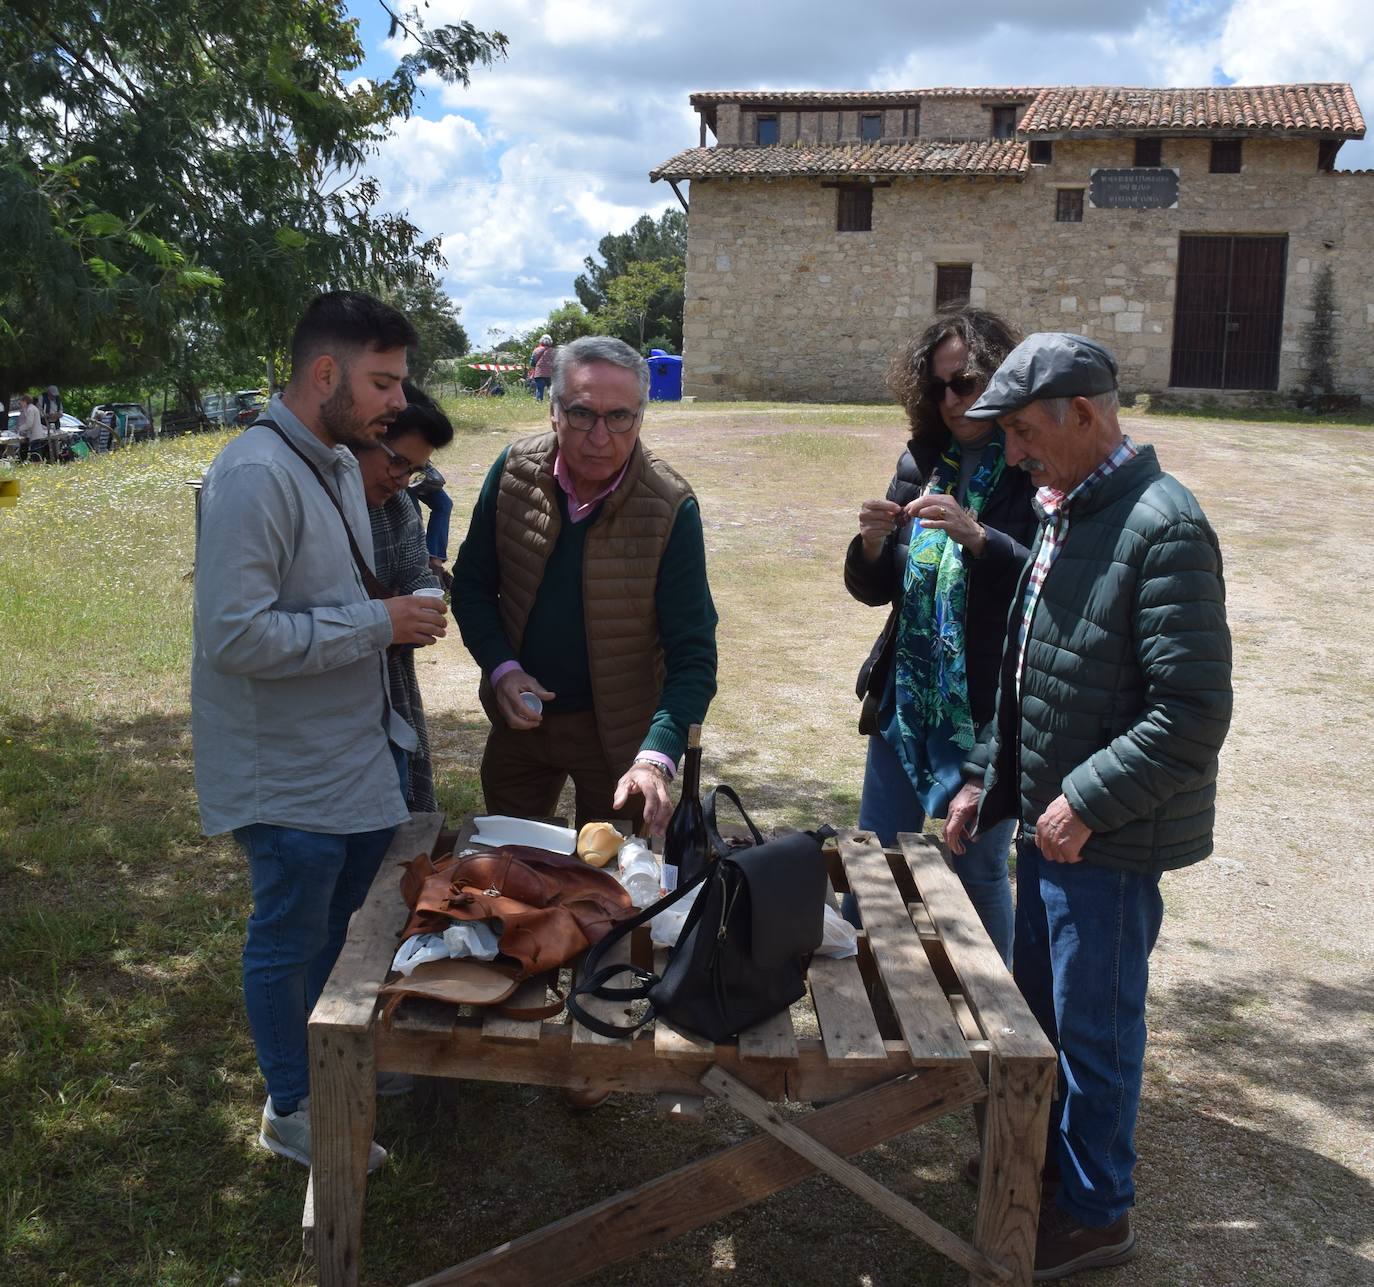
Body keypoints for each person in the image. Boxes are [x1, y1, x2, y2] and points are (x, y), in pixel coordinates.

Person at [945, 333, 1232, 1280]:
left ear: (1085, 412)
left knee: (1095, 1033)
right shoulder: (1066, 506)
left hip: (1104, 843)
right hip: (1053, 829)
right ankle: (1039, 1171)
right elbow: (1029, 670)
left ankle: (1097, 1211)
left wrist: (1083, 800)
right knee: (1038, 1019)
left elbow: (1191, 711)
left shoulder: (1164, 524)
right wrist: (992, 777)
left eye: (1026, 431)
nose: (1015, 452)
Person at [191, 290, 446, 1174]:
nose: (396, 405)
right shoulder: (253, 474)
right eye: (383, 382)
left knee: (345, 932)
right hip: (287, 775)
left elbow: (339, 598)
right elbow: (234, 634)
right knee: (290, 932)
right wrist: (381, 623)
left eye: (400, 382)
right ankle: (293, 1106)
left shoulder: (337, 462)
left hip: (351, 762)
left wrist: (393, 611)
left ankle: (332, 1059)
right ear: (325, 373)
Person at [452, 334, 718, 837]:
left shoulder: (670, 506)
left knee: (611, 888)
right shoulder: (513, 472)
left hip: (620, 737)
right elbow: (471, 586)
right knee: (509, 870)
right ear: (553, 411)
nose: (601, 437)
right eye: (581, 414)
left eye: (619, 417)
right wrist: (502, 669)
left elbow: (694, 654)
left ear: (640, 415)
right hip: (521, 720)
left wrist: (657, 756)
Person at [843, 310, 1036, 966]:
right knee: (875, 857)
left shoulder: (1030, 462)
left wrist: (979, 537)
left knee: (978, 867)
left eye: (969, 381)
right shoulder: (924, 460)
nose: (954, 398)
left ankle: (999, 1026)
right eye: (941, 387)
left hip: (986, 708)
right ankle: (860, 1000)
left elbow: (1045, 588)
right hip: (909, 695)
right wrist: (870, 546)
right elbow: (879, 589)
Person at [353, 383, 455, 813]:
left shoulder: (399, 508)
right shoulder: (309, 505)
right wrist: (387, 618)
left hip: (390, 697)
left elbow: (417, 575)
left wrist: (421, 605)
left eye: (413, 470)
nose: (401, 480)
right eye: (396, 461)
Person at [407, 461, 455, 589]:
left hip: (417, 468)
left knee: (444, 505)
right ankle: (422, 571)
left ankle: (435, 564)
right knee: (413, 516)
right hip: (398, 468)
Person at [16, 394, 46, 461]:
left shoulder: (30, 409)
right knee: (35, 452)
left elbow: (29, 424)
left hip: (35, 434)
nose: (21, 404)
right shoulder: (31, 408)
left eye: (21, 402)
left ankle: (37, 465)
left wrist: (20, 428)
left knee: (35, 453)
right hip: (34, 434)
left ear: (25, 401)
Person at [529, 333, 555, 402]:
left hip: (539, 373)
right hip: (550, 373)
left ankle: (539, 402)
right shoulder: (553, 351)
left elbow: (532, 362)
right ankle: (552, 402)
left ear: (541, 341)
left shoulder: (536, 350)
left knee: (540, 389)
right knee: (551, 389)